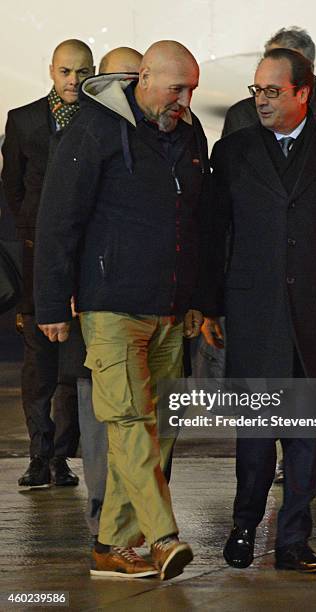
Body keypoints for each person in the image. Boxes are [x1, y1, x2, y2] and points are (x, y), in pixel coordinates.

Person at [34, 40, 211, 580]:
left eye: (191, 91)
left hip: (169, 312)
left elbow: (199, 223)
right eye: (177, 89)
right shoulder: (94, 129)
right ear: (145, 78)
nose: (184, 101)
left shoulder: (188, 134)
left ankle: (112, 544)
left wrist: (200, 301)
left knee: (160, 428)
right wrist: (50, 302)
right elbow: (57, 220)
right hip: (110, 309)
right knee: (129, 420)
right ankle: (162, 536)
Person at [209, 48, 316, 573]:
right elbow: (215, 235)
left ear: (303, 93)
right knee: (257, 434)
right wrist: (209, 306)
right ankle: (244, 526)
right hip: (254, 311)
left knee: (308, 436)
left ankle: (292, 541)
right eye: (256, 90)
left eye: (272, 91)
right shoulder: (234, 152)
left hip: (314, 308)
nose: (260, 100)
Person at [1, 39, 95, 488]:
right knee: (40, 366)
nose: (73, 80)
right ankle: (39, 455)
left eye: (80, 71)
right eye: (65, 72)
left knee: (74, 369)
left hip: (85, 261)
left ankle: (60, 458)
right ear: (51, 71)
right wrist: (33, 231)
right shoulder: (23, 120)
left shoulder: (101, 118)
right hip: (39, 259)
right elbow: (12, 188)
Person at [75, 45, 144, 543]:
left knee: (143, 416)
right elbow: (60, 220)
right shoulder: (89, 132)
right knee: (108, 410)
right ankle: (108, 506)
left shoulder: (167, 131)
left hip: (153, 304)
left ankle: (130, 515)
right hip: (100, 297)